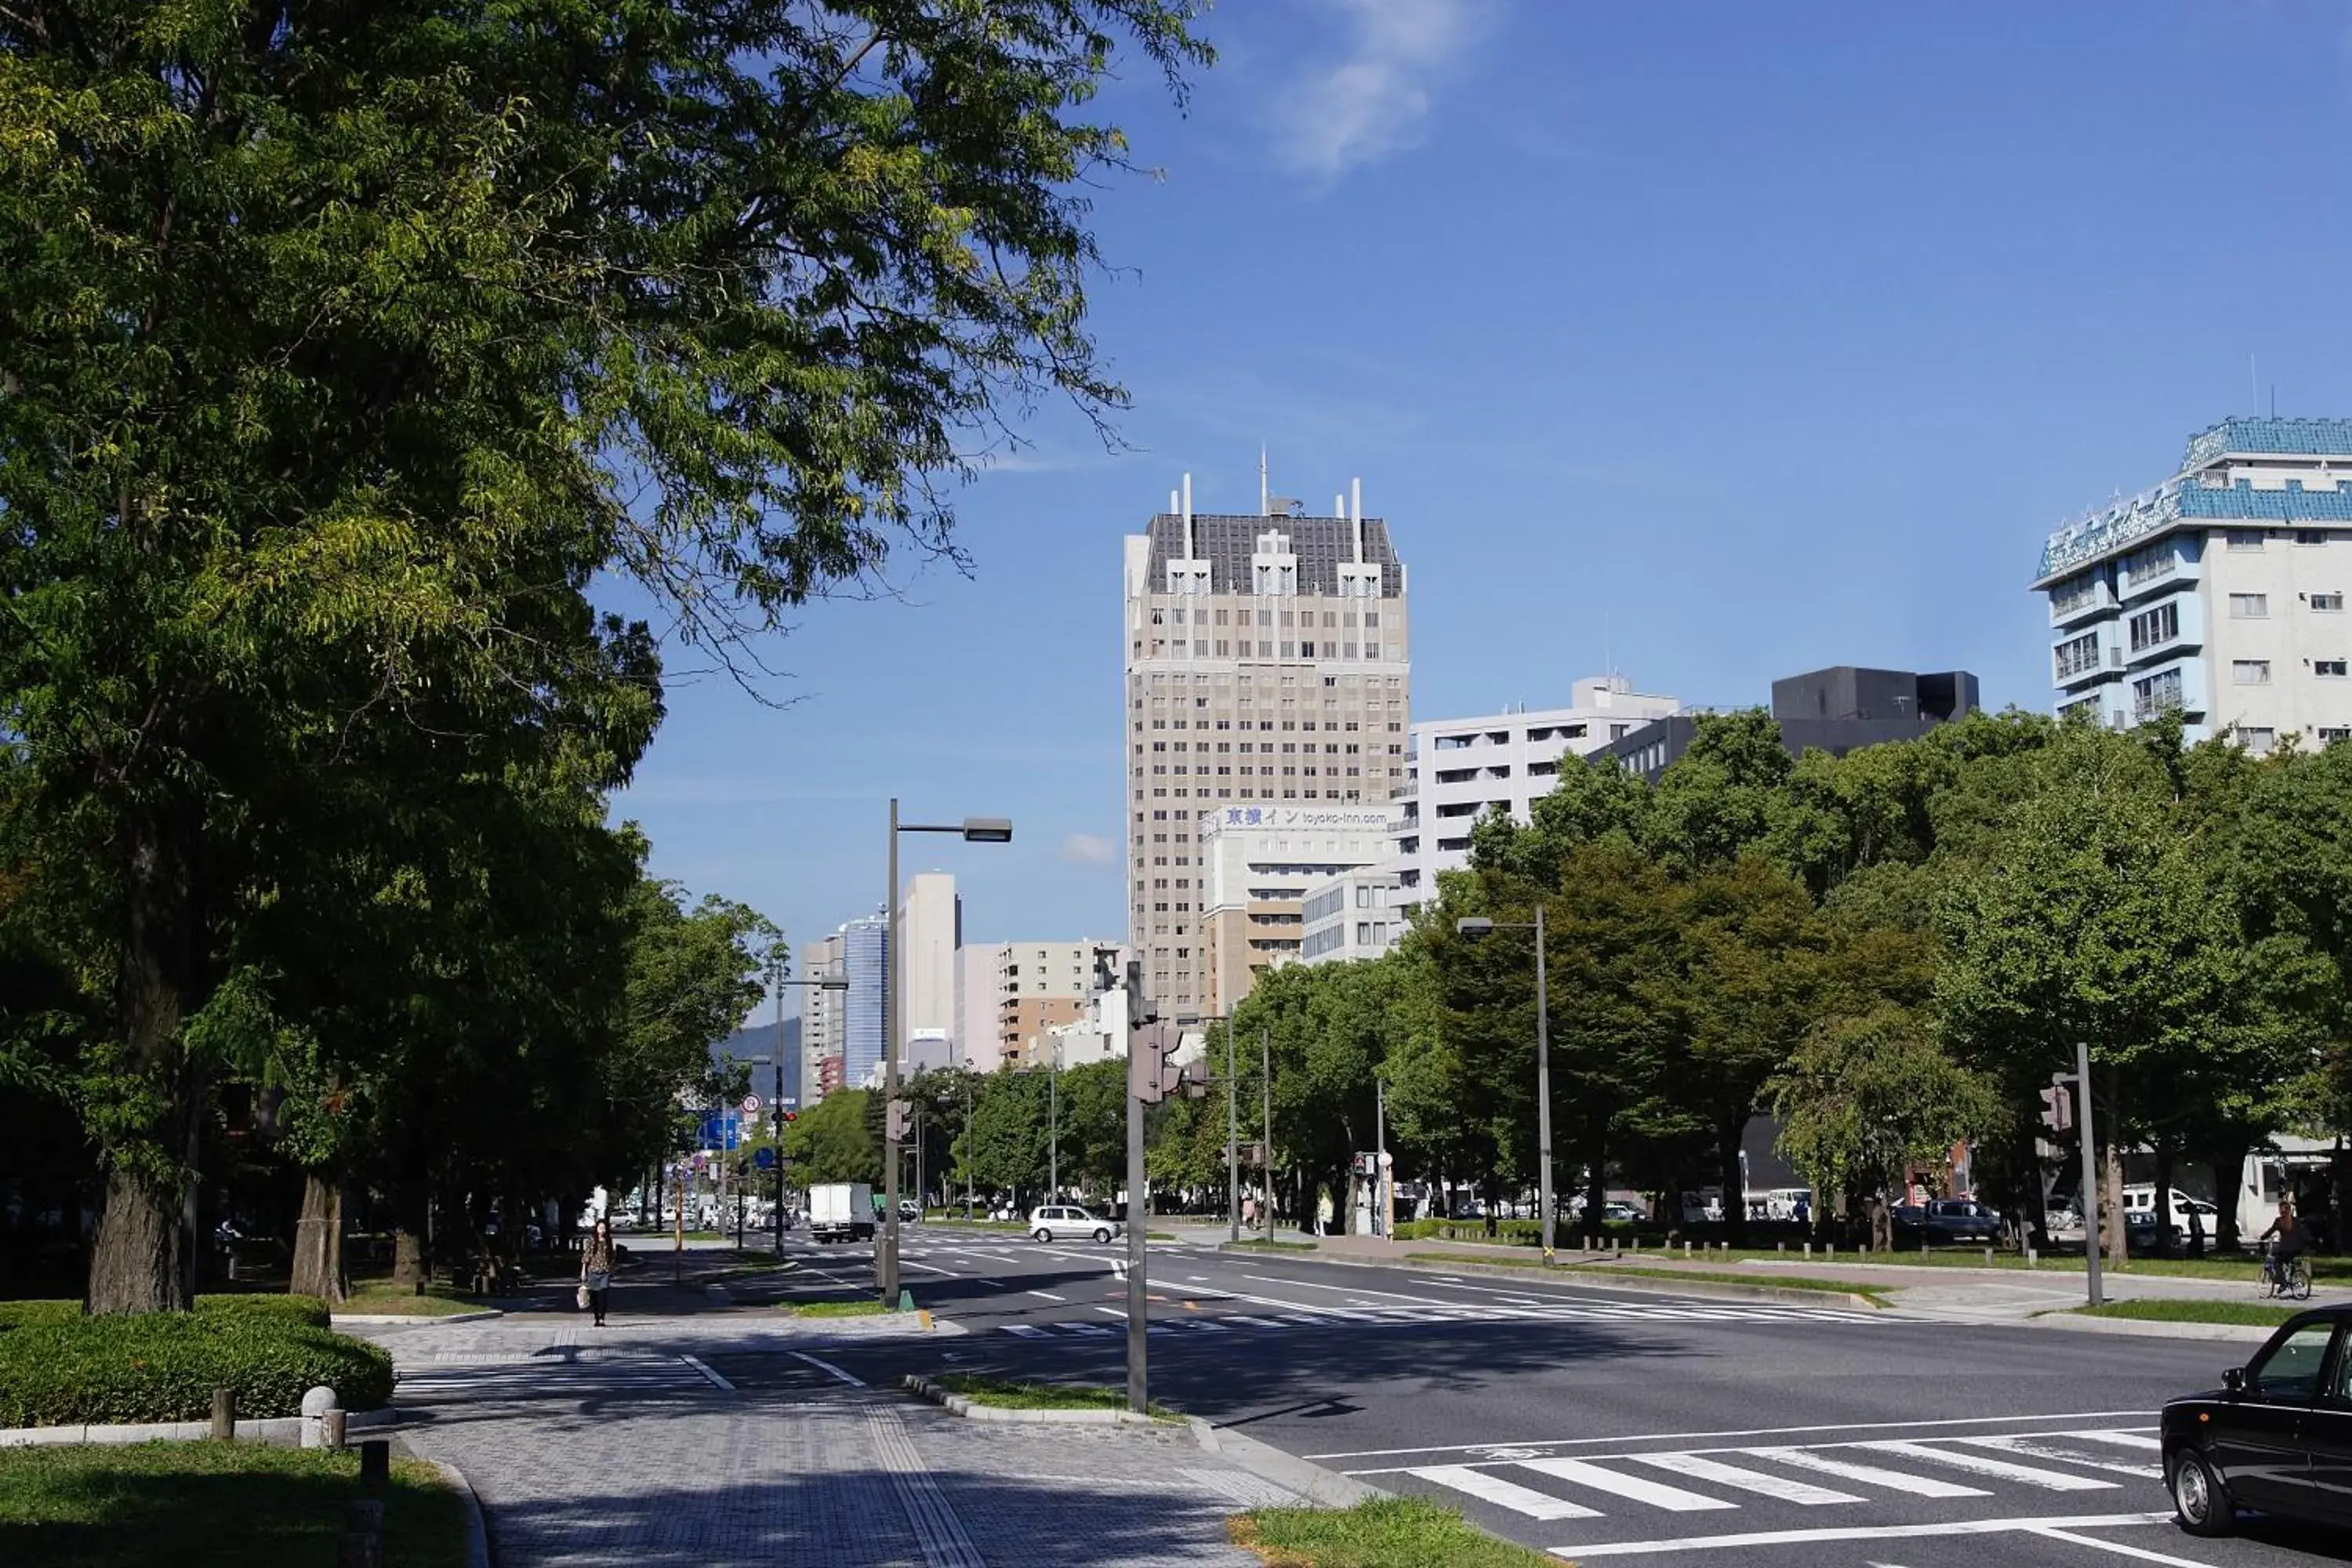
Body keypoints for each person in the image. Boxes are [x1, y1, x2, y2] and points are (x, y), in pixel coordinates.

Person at [2259, 1200, 2307, 1290]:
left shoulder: (2279, 1221)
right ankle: (2291, 1278)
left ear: (2281, 1211)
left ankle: (2282, 1282)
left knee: (2277, 1261)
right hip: (2298, 1248)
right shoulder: (2296, 1221)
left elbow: (2270, 1231)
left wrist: (2262, 1237)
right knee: (2289, 1260)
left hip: (2286, 1248)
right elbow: (2303, 1233)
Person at [581, 1217, 615, 1327]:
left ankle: (602, 1317)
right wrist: (583, 1271)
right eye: (600, 1228)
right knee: (594, 1296)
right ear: (596, 1229)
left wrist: (612, 1268)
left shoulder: (608, 1240)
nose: (602, 1230)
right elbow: (586, 1256)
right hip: (593, 1271)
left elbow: (611, 1256)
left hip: (605, 1271)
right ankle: (596, 1317)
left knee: (603, 1295)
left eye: (604, 1228)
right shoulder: (591, 1241)